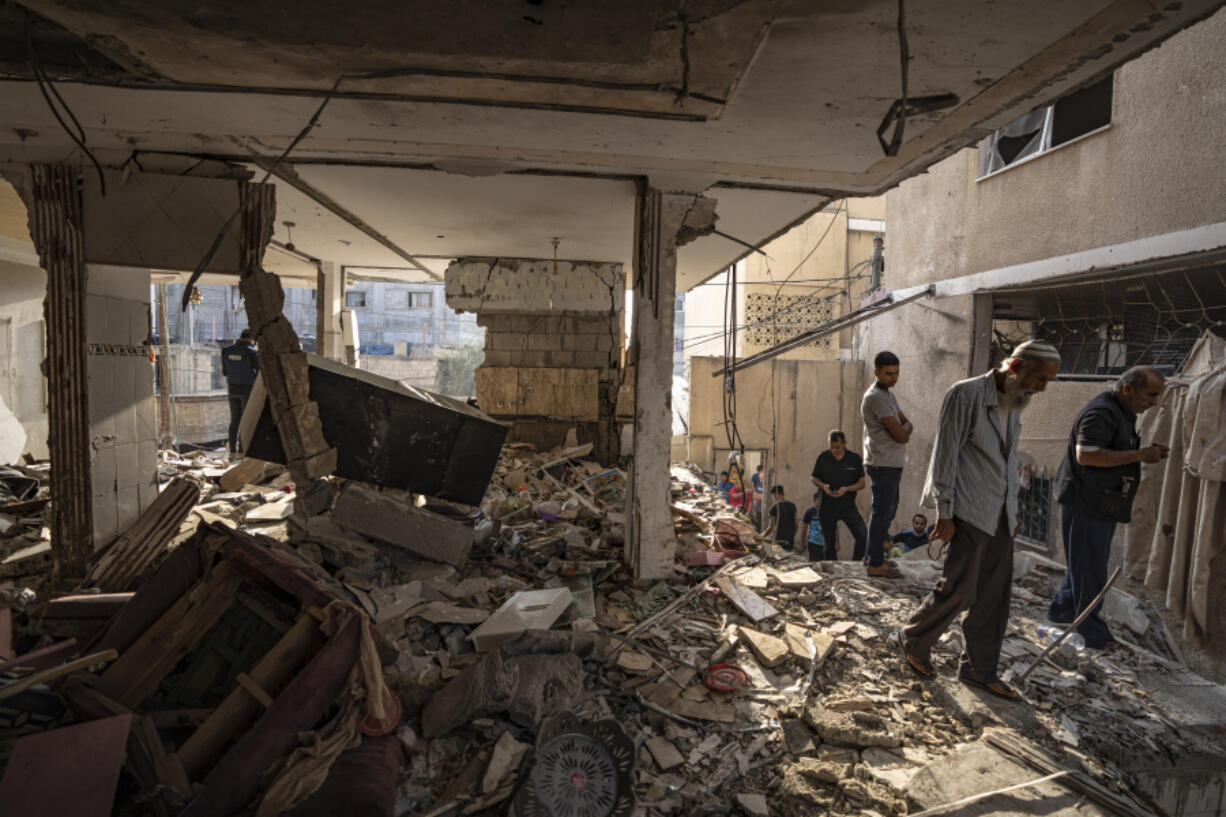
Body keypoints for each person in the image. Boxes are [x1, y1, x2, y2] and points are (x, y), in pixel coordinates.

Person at [899, 340, 1061, 701]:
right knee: (960, 588)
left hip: (999, 513)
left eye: (1048, 381)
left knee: (993, 596)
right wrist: (944, 512)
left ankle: (978, 669)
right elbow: (945, 454)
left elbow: (1007, 461)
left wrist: (1013, 509)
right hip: (968, 510)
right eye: (1038, 378)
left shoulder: (1015, 403)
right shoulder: (966, 395)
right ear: (1015, 367)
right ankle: (915, 638)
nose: (1041, 388)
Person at [1048, 366, 1168, 648]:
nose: (1153, 403)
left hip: (1099, 503)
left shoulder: (1120, 412)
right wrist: (1141, 455)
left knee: (1084, 563)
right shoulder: (1102, 412)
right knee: (1090, 568)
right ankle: (1091, 633)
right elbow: (1087, 455)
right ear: (1128, 389)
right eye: (1150, 395)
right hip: (1087, 503)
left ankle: (1062, 611)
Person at [862, 350, 912, 577]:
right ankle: (875, 563)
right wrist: (905, 431)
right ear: (877, 373)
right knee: (881, 514)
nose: (894, 378)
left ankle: (872, 556)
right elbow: (902, 434)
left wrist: (905, 430)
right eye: (889, 374)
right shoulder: (875, 397)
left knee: (887, 512)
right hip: (882, 463)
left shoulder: (888, 395)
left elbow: (905, 423)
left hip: (891, 462)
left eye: (896, 373)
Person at [810, 430, 868, 561]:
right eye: (831, 447)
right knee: (829, 544)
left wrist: (847, 489)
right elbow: (813, 478)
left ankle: (856, 564)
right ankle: (832, 572)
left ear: (845, 443)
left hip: (848, 505)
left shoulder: (855, 458)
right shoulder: (823, 457)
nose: (834, 450)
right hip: (827, 505)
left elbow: (862, 483)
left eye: (837, 447)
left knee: (862, 535)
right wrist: (823, 486)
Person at [221, 328, 259, 456]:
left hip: (232, 388)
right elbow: (259, 373)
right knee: (245, 420)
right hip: (247, 389)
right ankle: (242, 450)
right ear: (252, 339)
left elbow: (224, 372)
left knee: (234, 420)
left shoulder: (226, 351)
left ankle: (232, 450)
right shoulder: (253, 352)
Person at [765, 485, 798, 551]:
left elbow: (770, 528)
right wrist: (790, 537)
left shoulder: (774, 508)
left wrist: (762, 537)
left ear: (776, 494)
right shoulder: (792, 505)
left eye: (773, 495)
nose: (773, 497)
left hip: (778, 543)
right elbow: (796, 526)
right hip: (790, 542)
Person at [800, 492, 829, 562]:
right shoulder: (809, 512)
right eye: (818, 500)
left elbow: (834, 528)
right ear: (814, 500)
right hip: (813, 543)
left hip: (825, 544)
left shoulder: (827, 512)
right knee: (815, 565)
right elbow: (804, 529)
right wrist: (802, 543)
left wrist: (836, 543)